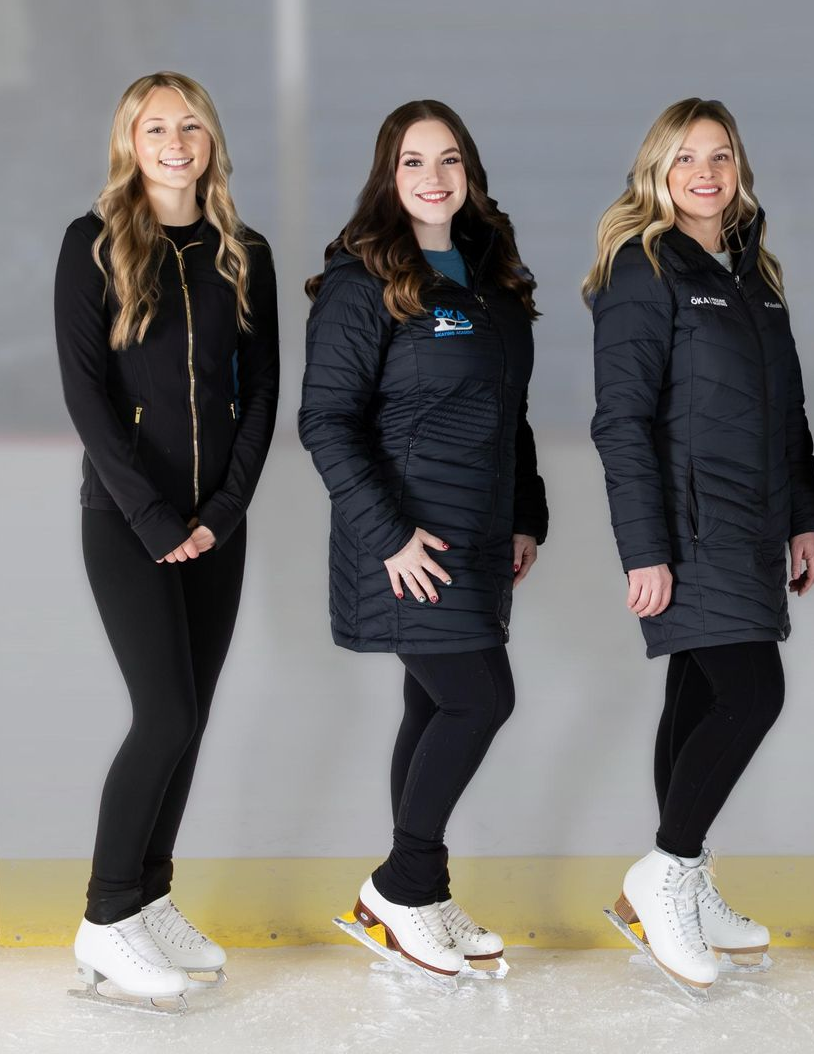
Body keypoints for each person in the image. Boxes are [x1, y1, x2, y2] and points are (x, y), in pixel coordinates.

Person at [299, 100, 547, 983]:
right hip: (408, 541)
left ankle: (421, 892)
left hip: (477, 535)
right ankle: (402, 887)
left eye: (449, 160)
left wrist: (527, 515)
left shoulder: (490, 276)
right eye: (413, 161)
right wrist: (391, 536)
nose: (434, 177)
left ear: (469, 172)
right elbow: (326, 422)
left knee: (432, 705)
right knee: (480, 700)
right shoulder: (364, 279)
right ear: (388, 175)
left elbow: (508, 414)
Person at [586, 98, 814, 992]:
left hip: (753, 524)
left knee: (696, 697)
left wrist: (804, 515)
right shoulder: (643, 269)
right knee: (753, 692)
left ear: (739, 170)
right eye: (685, 158)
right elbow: (621, 421)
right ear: (657, 171)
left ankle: (679, 883)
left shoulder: (752, 272)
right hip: (689, 530)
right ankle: (666, 871)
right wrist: (642, 549)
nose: (705, 173)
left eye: (720, 156)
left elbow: (785, 411)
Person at [55, 71, 278, 1007]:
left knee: (192, 715)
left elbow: (261, 396)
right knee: (166, 715)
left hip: (216, 525)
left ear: (210, 140)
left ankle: (148, 900)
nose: (175, 142)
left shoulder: (245, 252)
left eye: (190, 126)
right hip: (127, 521)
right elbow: (85, 395)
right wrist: (154, 520)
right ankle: (107, 916)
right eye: (156, 128)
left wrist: (222, 513)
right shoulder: (94, 244)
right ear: (130, 142)